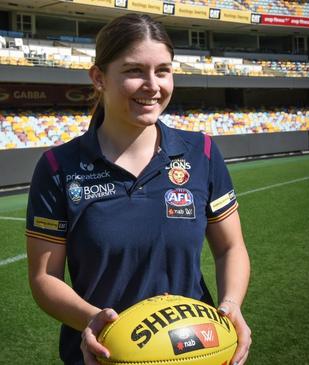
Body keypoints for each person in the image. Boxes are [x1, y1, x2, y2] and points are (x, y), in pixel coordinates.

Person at [25, 14, 251, 365]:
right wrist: (92, 321)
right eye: (134, 71)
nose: (152, 85)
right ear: (98, 78)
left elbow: (230, 247)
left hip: (195, 350)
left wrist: (231, 305)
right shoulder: (58, 167)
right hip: (103, 355)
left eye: (163, 70)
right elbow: (44, 278)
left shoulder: (202, 152)